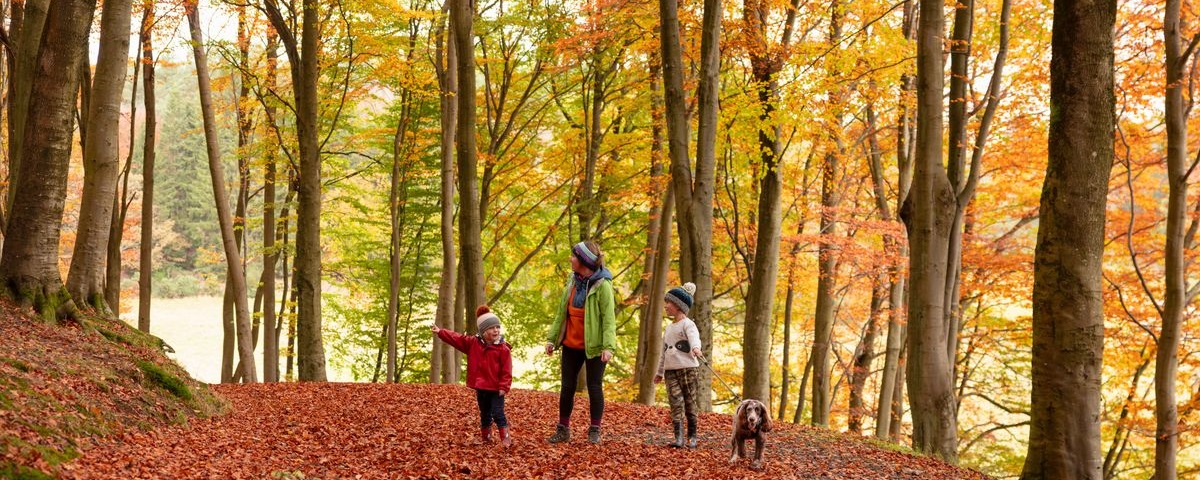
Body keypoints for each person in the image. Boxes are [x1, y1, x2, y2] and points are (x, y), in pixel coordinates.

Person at [544, 240, 616, 444]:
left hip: (594, 345)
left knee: (594, 386)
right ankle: (563, 429)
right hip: (570, 344)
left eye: (574, 256)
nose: (570, 259)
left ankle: (594, 430)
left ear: (583, 261)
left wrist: (608, 347)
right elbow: (561, 312)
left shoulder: (603, 285)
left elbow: (609, 319)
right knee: (567, 387)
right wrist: (552, 338)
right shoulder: (572, 280)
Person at [432, 305, 513, 447]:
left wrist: (504, 387)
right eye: (492, 328)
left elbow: (507, 371)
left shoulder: (503, 349)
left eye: (497, 327)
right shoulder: (473, 343)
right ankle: (486, 436)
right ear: (483, 331)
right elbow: (456, 339)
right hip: (481, 387)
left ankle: (505, 438)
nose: (496, 330)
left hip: (496, 389)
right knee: (485, 413)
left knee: (498, 413)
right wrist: (441, 332)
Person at [654, 282, 702, 449]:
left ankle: (692, 436)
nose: (666, 306)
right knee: (675, 402)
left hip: (688, 369)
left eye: (669, 303)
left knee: (690, 402)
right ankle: (679, 438)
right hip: (670, 371)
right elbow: (664, 352)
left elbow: (694, 337)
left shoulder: (688, 324)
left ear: (679, 306)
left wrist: (696, 348)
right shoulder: (668, 329)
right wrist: (660, 372)